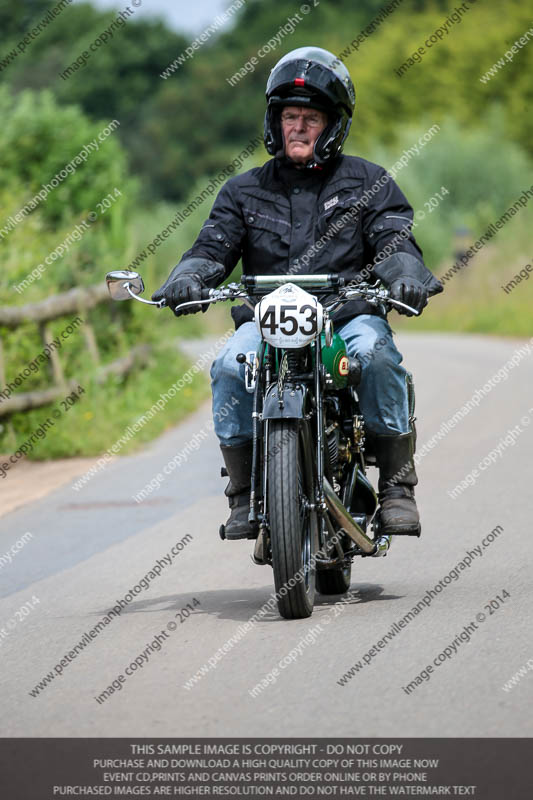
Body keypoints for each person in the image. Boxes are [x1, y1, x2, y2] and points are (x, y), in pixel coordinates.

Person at [152, 46, 443, 540]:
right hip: (267, 321)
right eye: (290, 115)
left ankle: (397, 487)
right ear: (274, 120)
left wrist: (405, 275)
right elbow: (213, 246)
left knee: (376, 355)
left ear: (332, 125)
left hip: (346, 315)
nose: (299, 127)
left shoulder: (368, 182)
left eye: (311, 117)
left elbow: (394, 238)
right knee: (227, 367)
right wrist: (189, 277)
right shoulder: (243, 191)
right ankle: (243, 495)